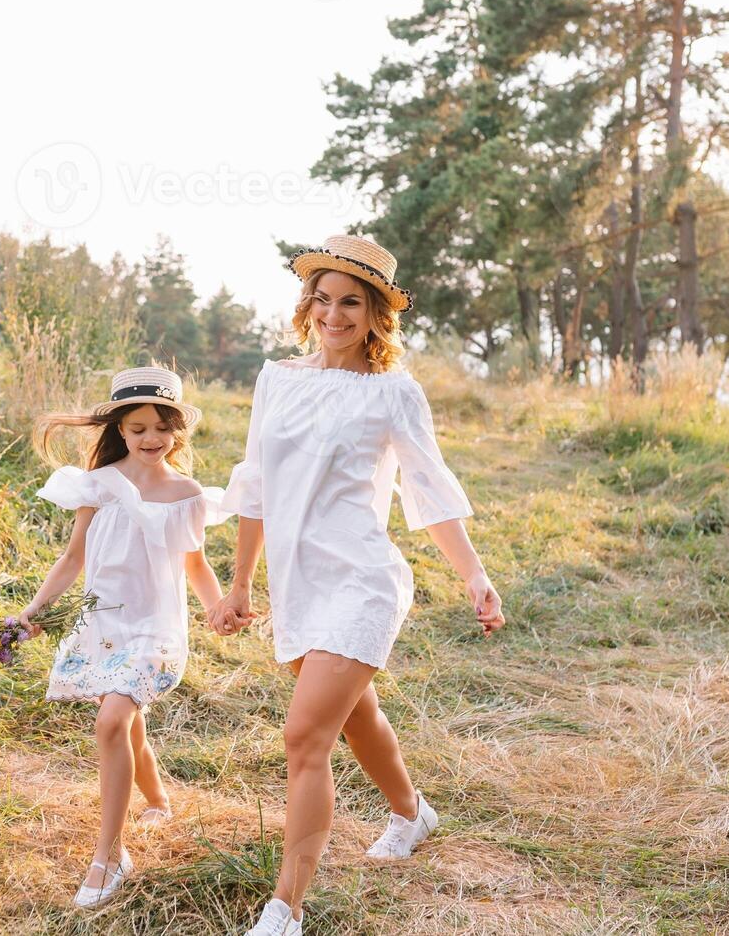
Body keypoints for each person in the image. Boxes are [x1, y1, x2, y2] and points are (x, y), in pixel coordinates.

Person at [213, 235, 506, 936]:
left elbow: (429, 488)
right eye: (324, 299)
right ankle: (412, 812)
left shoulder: (394, 392)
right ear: (307, 304)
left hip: (364, 582)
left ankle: (286, 909)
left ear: (377, 314)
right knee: (354, 718)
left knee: (304, 736)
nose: (335, 315)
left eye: (352, 302)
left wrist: (474, 573)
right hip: (299, 583)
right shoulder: (277, 378)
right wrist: (241, 584)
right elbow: (254, 484)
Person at [22, 366, 227, 909]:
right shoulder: (98, 485)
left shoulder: (186, 494)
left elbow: (197, 566)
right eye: (138, 428)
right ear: (120, 430)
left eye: (162, 426)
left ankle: (109, 855)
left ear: (177, 430)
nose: (151, 438)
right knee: (126, 723)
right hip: (104, 627)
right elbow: (73, 558)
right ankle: (156, 798)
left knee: (112, 718)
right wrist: (33, 610)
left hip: (156, 630)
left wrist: (218, 609)